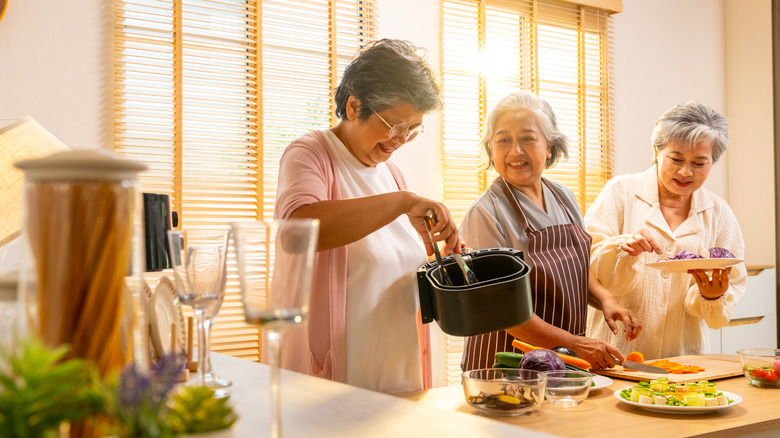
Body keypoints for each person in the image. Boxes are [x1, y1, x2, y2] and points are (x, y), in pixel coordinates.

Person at [274, 39, 460, 393]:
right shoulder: (310, 154)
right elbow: (297, 231)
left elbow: (392, 269)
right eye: (394, 126)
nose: (401, 139)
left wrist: (439, 261)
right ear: (354, 105)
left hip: (400, 376)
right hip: (339, 385)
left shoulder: (391, 174)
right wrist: (403, 202)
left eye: (413, 129)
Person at [459, 91, 641, 371]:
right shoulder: (485, 214)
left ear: (549, 146)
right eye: (503, 140)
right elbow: (504, 313)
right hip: (506, 365)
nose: (515, 151)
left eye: (527, 138)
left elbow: (577, 269)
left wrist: (607, 300)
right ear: (491, 149)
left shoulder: (563, 196)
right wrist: (576, 344)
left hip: (561, 358)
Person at [585, 101, 747, 360]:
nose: (686, 172)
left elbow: (733, 281)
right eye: (676, 159)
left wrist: (711, 297)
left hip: (683, 358)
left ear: (712, 162)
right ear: (657, 151)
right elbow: (585, 265)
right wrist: (623, 249)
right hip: (615, 352)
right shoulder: (621, 191)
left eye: (699, 163)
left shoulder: (719, 212)